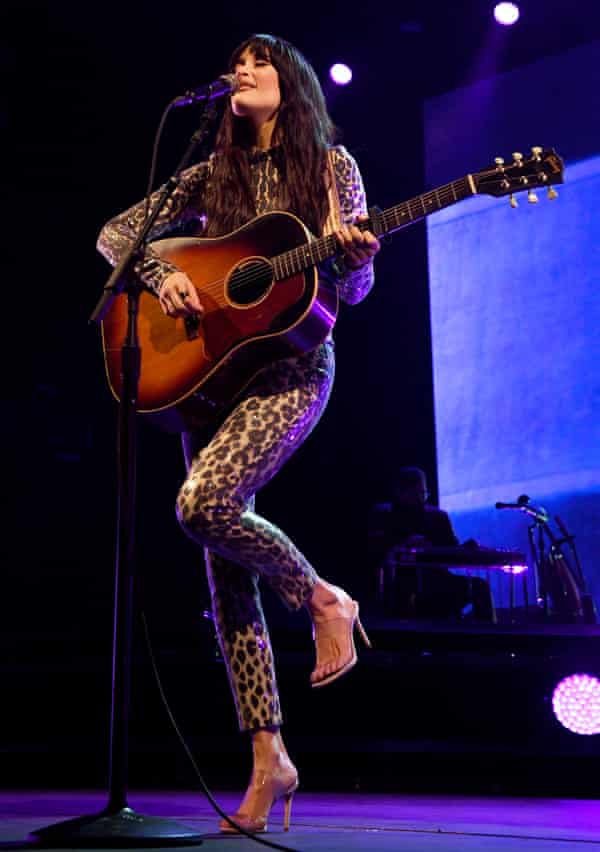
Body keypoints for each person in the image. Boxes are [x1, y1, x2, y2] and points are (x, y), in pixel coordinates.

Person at [97, 34, 380, 834]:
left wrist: (356, 257)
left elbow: (353, 292)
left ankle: (322, 596)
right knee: (223, 574)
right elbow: (117, 236)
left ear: (289, 83)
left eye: (259, 62)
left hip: (292, 373)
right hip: (212, 378)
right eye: (238, 62)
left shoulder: (333, 168)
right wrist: (167, 273)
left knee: (202, 504)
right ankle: (268, 758)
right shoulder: (210, 171)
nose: (242, 71)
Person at [369, 468, 495, 621]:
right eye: (415, 493)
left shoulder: (437, 517)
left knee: (479, 587)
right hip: (398, 583)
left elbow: (452, 552)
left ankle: (488, 642)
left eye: (423, 493)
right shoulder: (384, 515)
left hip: (437, 580)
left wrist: (465, 549)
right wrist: (404, 545)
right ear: (400, 492)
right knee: (404, 595)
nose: (420, 499)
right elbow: (374, 551)